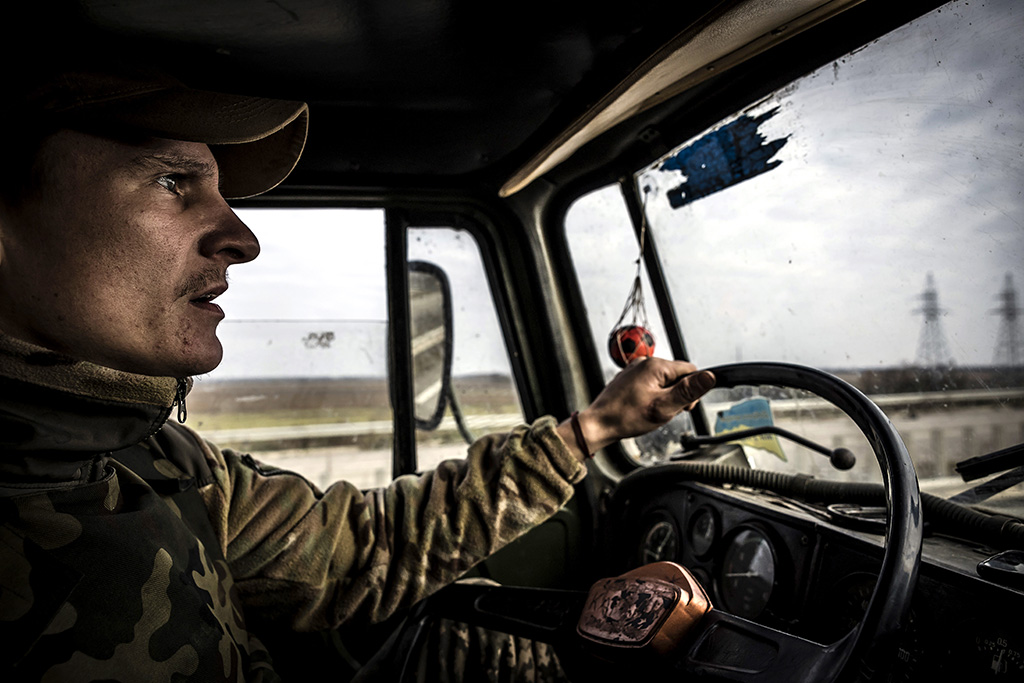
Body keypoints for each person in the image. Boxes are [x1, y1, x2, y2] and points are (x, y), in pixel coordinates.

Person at [0, 65, 715, 681]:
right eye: (170, 181)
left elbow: (358, 550)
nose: (242, 238)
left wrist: (595, 428)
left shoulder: (157, 456)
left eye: (217, 193)